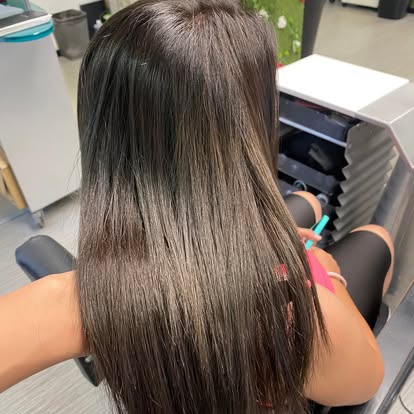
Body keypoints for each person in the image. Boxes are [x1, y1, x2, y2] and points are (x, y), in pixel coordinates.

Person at [0, 0, 394, 412]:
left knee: (307, 202)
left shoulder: (70, 303)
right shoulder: (292, 316)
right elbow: (365, 384)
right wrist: (320, 274)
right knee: (375, 238)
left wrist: (265, 243)